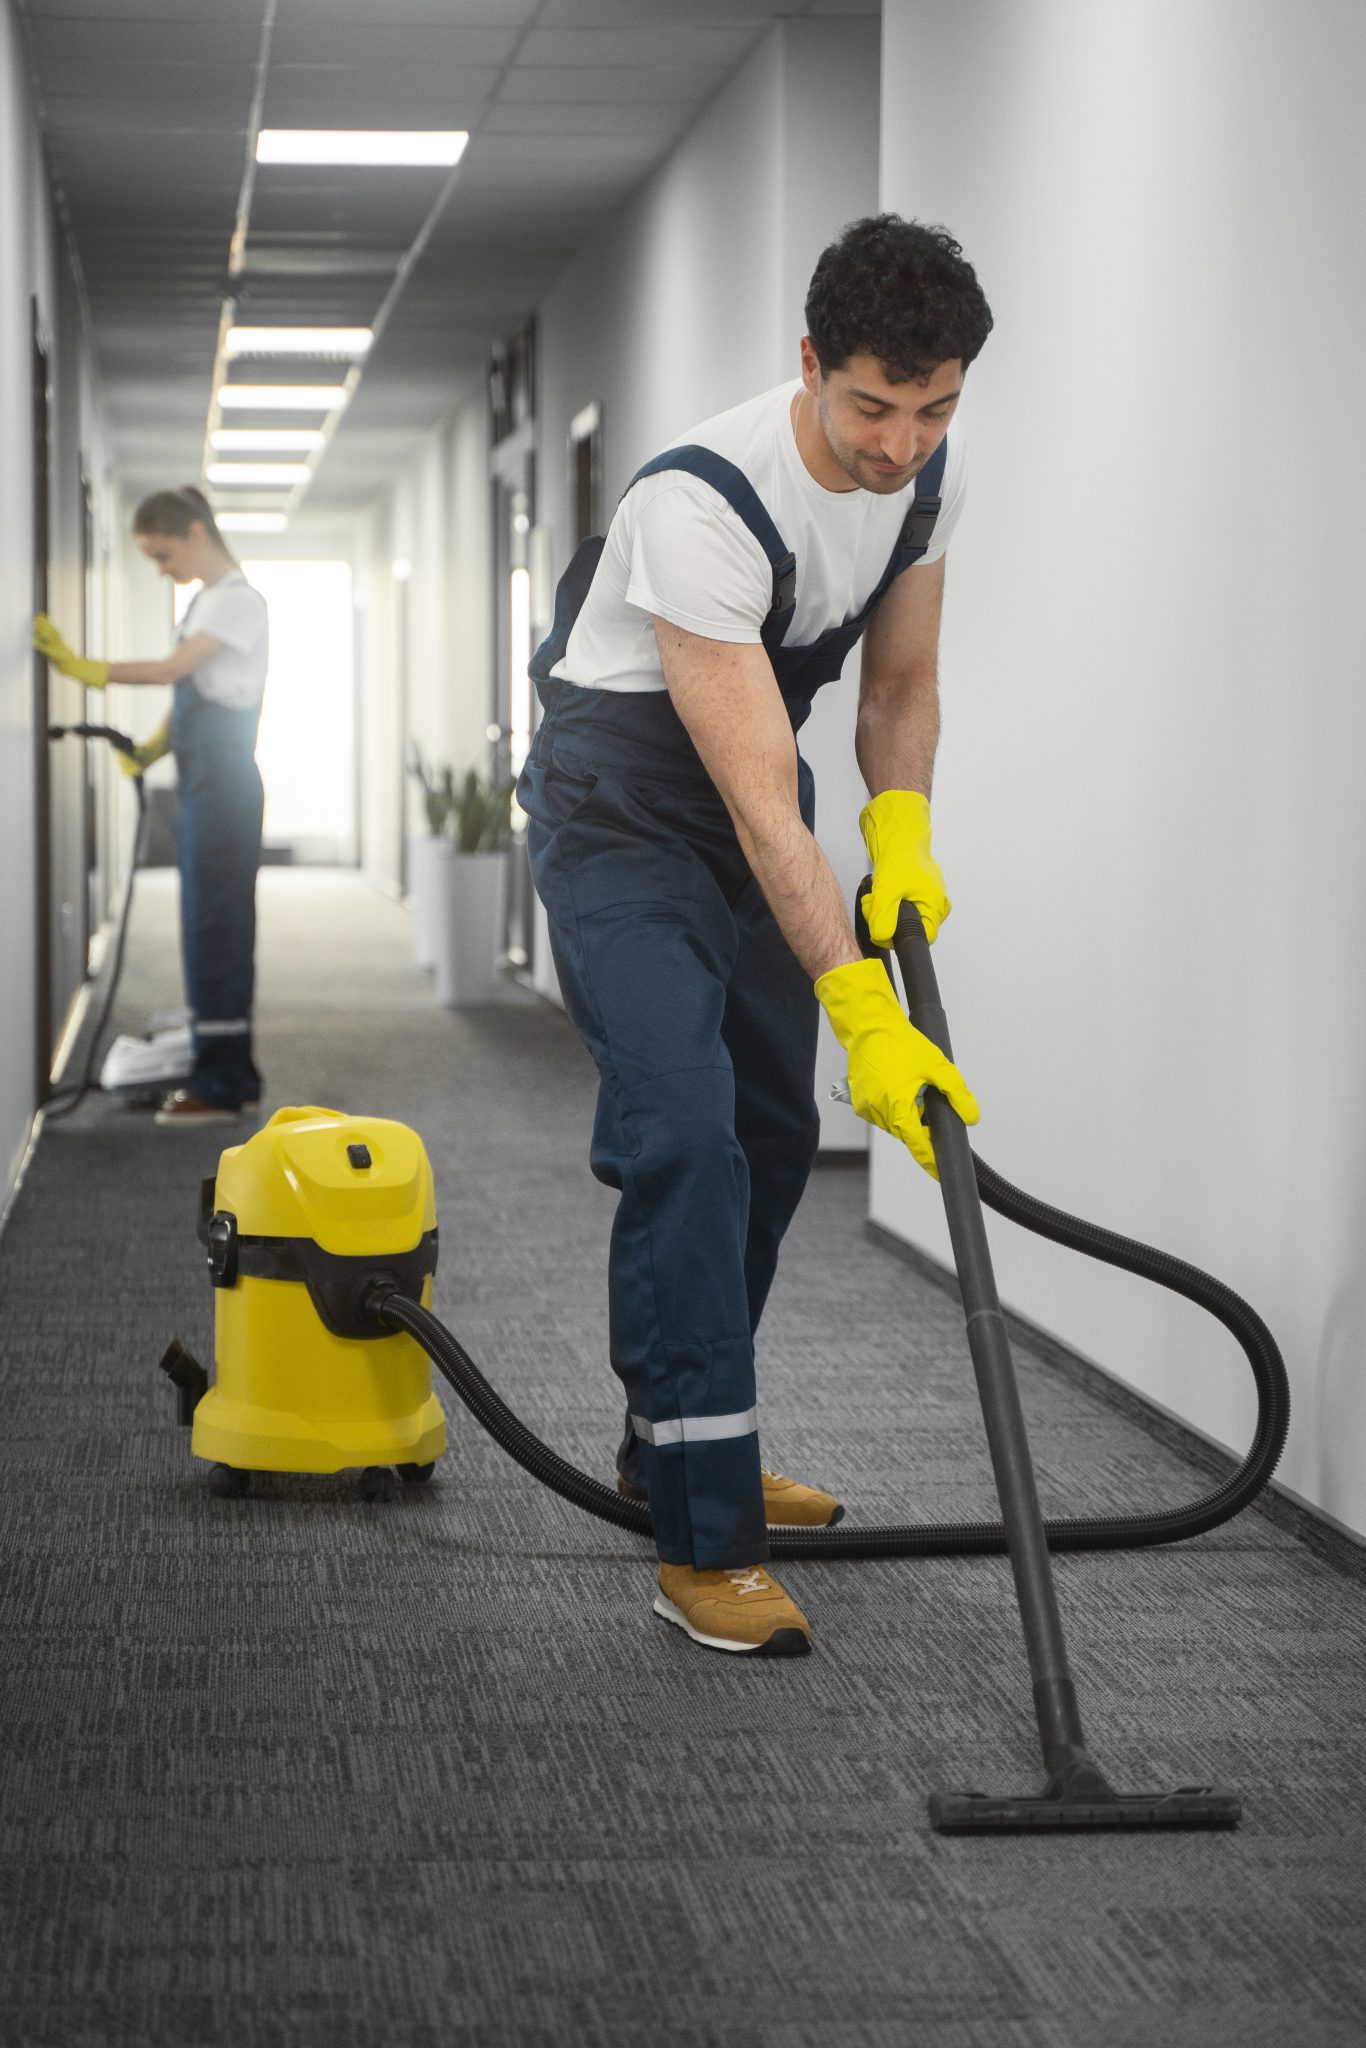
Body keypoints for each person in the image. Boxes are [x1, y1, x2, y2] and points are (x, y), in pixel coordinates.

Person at [518, 215, 994, 1658]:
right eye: (870, 407)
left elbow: (896, 687)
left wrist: (901, 833)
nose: (901, 442)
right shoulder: (701, 502)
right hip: (623, 800)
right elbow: (759, 810)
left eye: (934, 409)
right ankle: (701, 1534)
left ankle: (670, 1439)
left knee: (774, 1134)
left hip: (745, 780)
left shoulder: (925, 485)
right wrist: (863, 1012)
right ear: (808, 365)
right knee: (684, 1134)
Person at [35, 485, 268, 1126]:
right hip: (202, 781)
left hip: (224, 787)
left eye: (163, 554)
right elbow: (193, 692)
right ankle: (225, 1068)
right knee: (203, 927)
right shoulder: (205, 602)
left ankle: (220, 1086)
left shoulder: (239, 602)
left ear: (196, 533)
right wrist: (150, 748)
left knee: (217, 927)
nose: (162, 569)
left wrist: (87, 670)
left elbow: (173, 670)